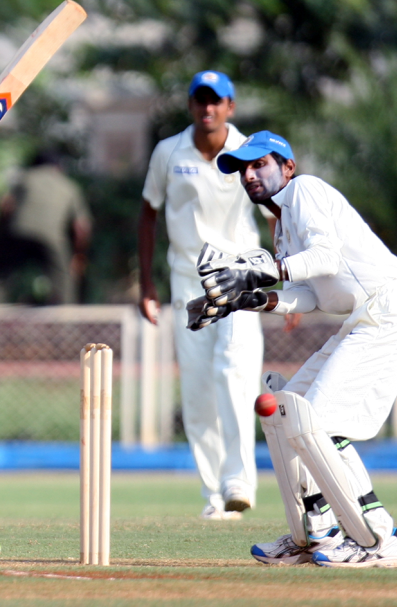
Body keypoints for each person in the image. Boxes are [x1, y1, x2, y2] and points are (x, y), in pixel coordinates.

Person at [189, 130, 397, 567]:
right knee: (285, 414)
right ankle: (314, 534)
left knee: (320, 422)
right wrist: (247, 299)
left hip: (389, 313)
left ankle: (381, 538)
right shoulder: (282, 227)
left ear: (287, 167)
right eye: (243, 168)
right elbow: (311, 295)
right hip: (362, 319)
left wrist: (263, 271)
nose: (249, 174)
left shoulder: (305, 191)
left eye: (259, 164)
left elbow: (327, 258)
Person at [138, 71, 265, 520]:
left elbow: (274, 208)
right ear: (191, 105)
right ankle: (216, 493)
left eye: (216, 101)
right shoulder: (168, 152)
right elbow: (149, 213)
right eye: (200, 100)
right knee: (196, 390)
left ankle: (239, 480)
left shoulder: (249, 150)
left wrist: (289, 283)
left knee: (233, 374)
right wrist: (146, 284)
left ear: (230, 106)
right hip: (188, 283)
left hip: (238, 278)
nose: (207, 109)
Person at [0, 150, 92, 304]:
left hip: (17, 230)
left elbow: (6, 207)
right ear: (59, 167)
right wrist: (78, 255)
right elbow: (82, 227)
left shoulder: (25, 178)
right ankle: (66, 319)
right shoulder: (69, 185)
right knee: (64, 280)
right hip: (52, 237)